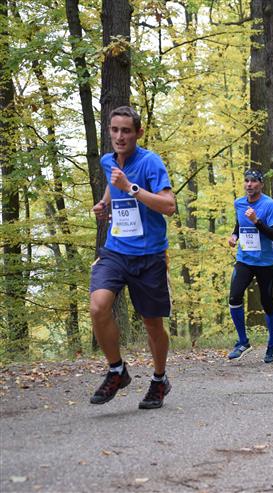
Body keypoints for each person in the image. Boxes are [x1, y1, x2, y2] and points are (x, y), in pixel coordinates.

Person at [89, 106, 176, 410]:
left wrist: (131, 188)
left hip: (149, 255)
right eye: (114, 130)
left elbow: (169, 206)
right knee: (98, 306)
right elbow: (112, 184)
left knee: (152, 324)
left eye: (126, 131)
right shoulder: (108, 161)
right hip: (116, 251)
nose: (119, 136)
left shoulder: (151, 163)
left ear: (138, 133)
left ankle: (159, 379)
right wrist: (104, 203)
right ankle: (117, 370)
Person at [226, 169, 273, 363]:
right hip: (244, 260)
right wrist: (234, 236)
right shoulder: (239, 203)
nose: (249, 184)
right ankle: (243, 342)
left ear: (261, 184)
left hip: (264, 263)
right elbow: (239, 225)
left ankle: (271, 344)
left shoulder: (269, 205)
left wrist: (256, 221)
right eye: (246, 181)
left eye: (254, 181)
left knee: (267, 303)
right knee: (234, 297)